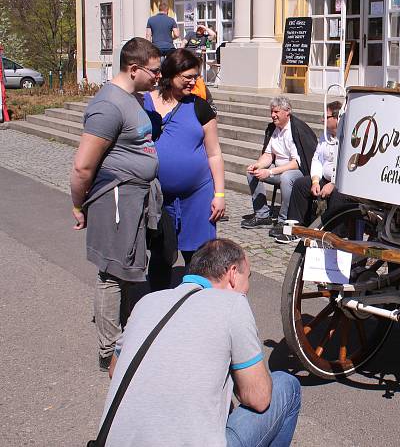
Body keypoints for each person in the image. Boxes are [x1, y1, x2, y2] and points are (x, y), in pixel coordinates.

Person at [101, 239, 301, 447]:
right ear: (233, 273)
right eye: (247, 277)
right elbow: (258, 398)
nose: (247, 287)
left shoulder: (147, 302)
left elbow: (115, 370)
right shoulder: (233, 305)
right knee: (286, 385)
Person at [70, 37, 161, 371]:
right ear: (133, 69)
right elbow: (83, 166)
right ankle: (110, 351)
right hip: (117, 198)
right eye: (153, 71)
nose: (157, 77)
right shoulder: (108, 105)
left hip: (135, 198)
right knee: (112, 272)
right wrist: (79, 206)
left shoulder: (133, 98)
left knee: (131, 270)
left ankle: (131, 335)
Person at [143, 48, 226, 279]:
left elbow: (214, 153)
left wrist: (219, 195)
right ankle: (158, 304)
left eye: (195, 77)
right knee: (160, 254)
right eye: (187, 77)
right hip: (159, 196)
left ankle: (195, 302)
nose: (193, 82)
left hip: (197, 195)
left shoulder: (200, 107)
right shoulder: (146, 104)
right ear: (171, 74)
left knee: (198, 256)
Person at [276, 101, 353, 244]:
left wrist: (333, 183)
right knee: (300, 184)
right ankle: (296, 227)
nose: (323, 119)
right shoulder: (325, 136)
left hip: (343, 181)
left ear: (337, 118)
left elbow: (348, 164)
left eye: (326, 116)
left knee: (338, 193)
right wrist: (316, 180)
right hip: (325, 178)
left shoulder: (349, 138)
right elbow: (317, 158)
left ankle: (333, 236)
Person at [242, 97, 317, 230]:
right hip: (278, 169)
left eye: (276, 112)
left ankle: (284, 220)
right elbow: (268, 154)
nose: (273, 115)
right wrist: (258, 165)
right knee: (252, 173)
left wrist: (270, 172)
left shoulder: (297, 129)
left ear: (287, 112)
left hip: (298, 171)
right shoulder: (274, 129)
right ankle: (262, 215)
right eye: (272, 112)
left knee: (286, 177)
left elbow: (296, 163)